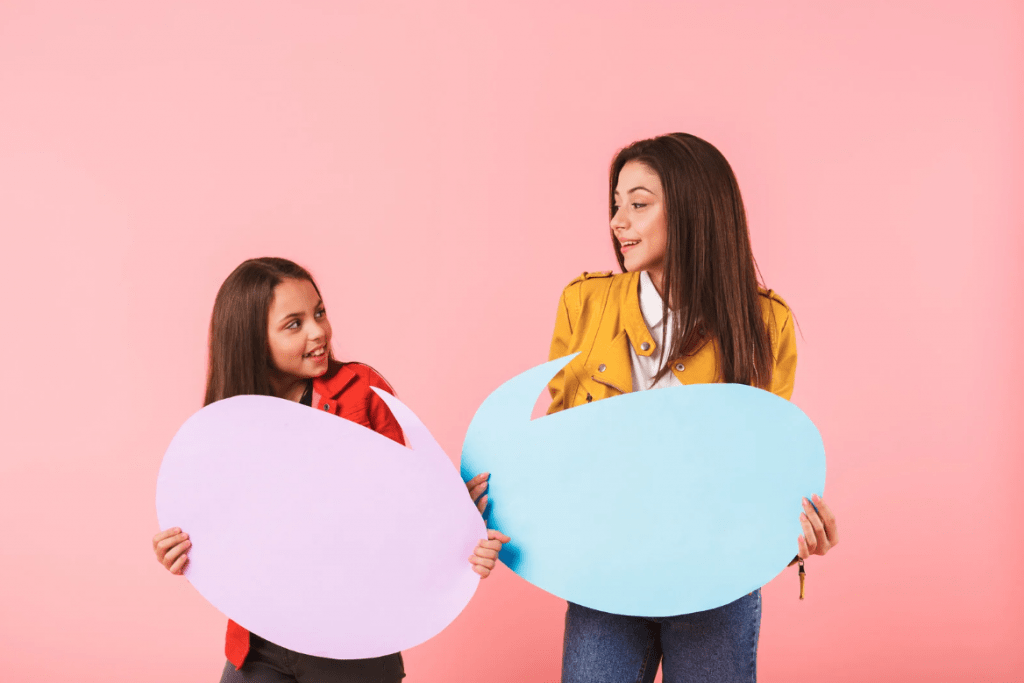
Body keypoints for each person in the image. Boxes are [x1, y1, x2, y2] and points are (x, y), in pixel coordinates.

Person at [471, 133, 839, 683]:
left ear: (695, 212)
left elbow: (767, 465)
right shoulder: (585, 303)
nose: (618, 221)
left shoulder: (765, 323)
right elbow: (559, 448)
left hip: (717, 579)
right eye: (616, 204)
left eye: (638, 204)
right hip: (604, 571)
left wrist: (793, 540)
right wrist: (501, 504)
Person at [151, 257, 507, 683]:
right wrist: (184, 551)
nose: (318, 331)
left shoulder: (362, 391)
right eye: (294, 324)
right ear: (251, 340)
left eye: (319, 312)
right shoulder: (224, 424)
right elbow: (226, 528)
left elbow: (408, 509)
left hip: (355, 646)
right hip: (258, 645)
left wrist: (460, 535)